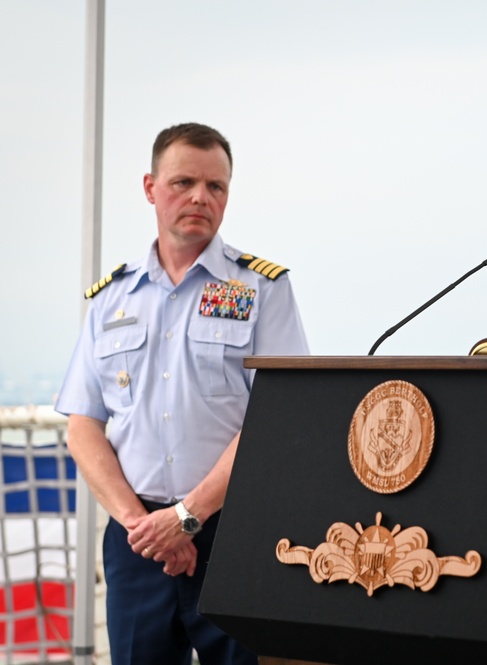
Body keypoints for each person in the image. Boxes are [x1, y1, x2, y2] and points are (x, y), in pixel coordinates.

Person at [55, 123, 309, 664]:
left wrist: (187, 518)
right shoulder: (111, 300)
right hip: (137, 540)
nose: (200, 196)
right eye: (184, 181)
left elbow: (278, 418)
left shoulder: (261, 289)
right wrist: (143, 527)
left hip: (235, 536)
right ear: (150, 188)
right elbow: (83, 424)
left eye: (215, 186)